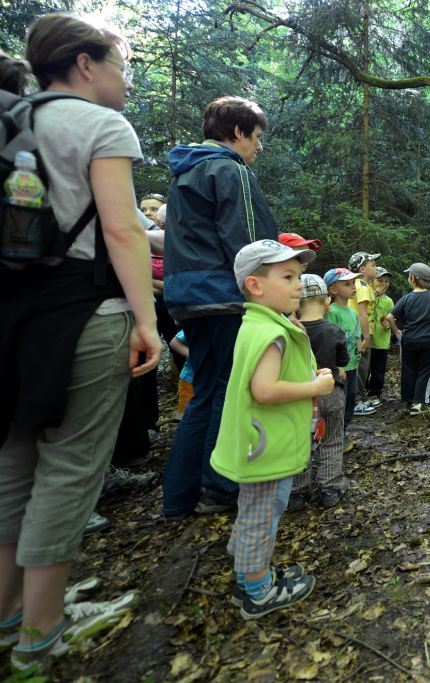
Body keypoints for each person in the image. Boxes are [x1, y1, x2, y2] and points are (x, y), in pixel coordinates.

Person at [0, 14, 160, 673]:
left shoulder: (11, 118)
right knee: (69, 468)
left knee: (13, 464)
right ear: (86, 65)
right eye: (121, 66)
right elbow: (122, 231)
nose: (126, 80)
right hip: (84, 312)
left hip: (11, 316)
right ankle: (41, 634)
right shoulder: (100, 124)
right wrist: (146, 320)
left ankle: (10, 614)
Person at [161, 95, 278, 518]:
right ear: (238, 131)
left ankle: (178, 497)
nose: (259, 147)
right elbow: (248, 243)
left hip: (188, 296)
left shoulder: (186, 172)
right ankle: (219, 487)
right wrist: (269, 295)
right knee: (230, 392)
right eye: (256, 136)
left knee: (207, 391)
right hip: (224, 296)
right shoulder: (230, 170)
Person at [211, 239, 325, 619]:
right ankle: (257, 591)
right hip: (264, 445)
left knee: (258, 509)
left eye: (299, 276)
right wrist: (315, 387)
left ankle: (248, 575)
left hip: (262, 441)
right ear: (255, 285)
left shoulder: (260, 323)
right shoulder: (269, 333)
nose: (299, 285)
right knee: (261, 514)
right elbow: (265, 389)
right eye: (288, 277)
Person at [291, 273, 350, 510]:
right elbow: (343, 360)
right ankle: (330, 488)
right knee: (333, 440)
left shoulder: (291, 330)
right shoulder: (333, 330)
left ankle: (297, 491)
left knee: (300, 442)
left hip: (302, 396)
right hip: (331, 392)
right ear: (326, 301)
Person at [386, 263, 430, 415]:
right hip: (427, 340)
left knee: (408, 370)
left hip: (408, 340)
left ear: (412, 279)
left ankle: (409, 401)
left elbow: (390, 317)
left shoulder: (406, 298)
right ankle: (420, 403)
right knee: (425, 371)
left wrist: (397, 332)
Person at [324, 267, 362, 432]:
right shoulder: (332, 312)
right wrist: (338, 366)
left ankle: (344, 430)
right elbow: (330, 340)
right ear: (333, 289)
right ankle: (336, 432)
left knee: (351, 396)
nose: (353, 287)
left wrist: (360, 344)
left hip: (352, 363)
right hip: (340, 368)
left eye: (353, 283)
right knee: (340, 399)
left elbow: (356, 333)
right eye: (347, 284)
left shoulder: (352, 312)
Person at [348, 251, 381, 416]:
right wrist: (366, 337)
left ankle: (361, 396)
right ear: (362, 269)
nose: (376, 268)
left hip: (362, 332)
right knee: (361, 367)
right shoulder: (361, 287)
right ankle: (356, 402)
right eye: (373, 265)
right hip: (361, 333)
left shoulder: (363, 286)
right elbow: (362, 313)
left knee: (363, 367)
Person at [367, 267, 394, 404]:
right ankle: (363, 392)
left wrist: (389, 323)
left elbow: (392, 317)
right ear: (371, 281)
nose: (384, 284)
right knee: (364, 369)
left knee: (378, 369)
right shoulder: (365, 297)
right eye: (380, 280)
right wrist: (374, 295)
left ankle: (375, 393)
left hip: (381, 341)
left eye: (386, 281)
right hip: (366, 340)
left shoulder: (388, 301)